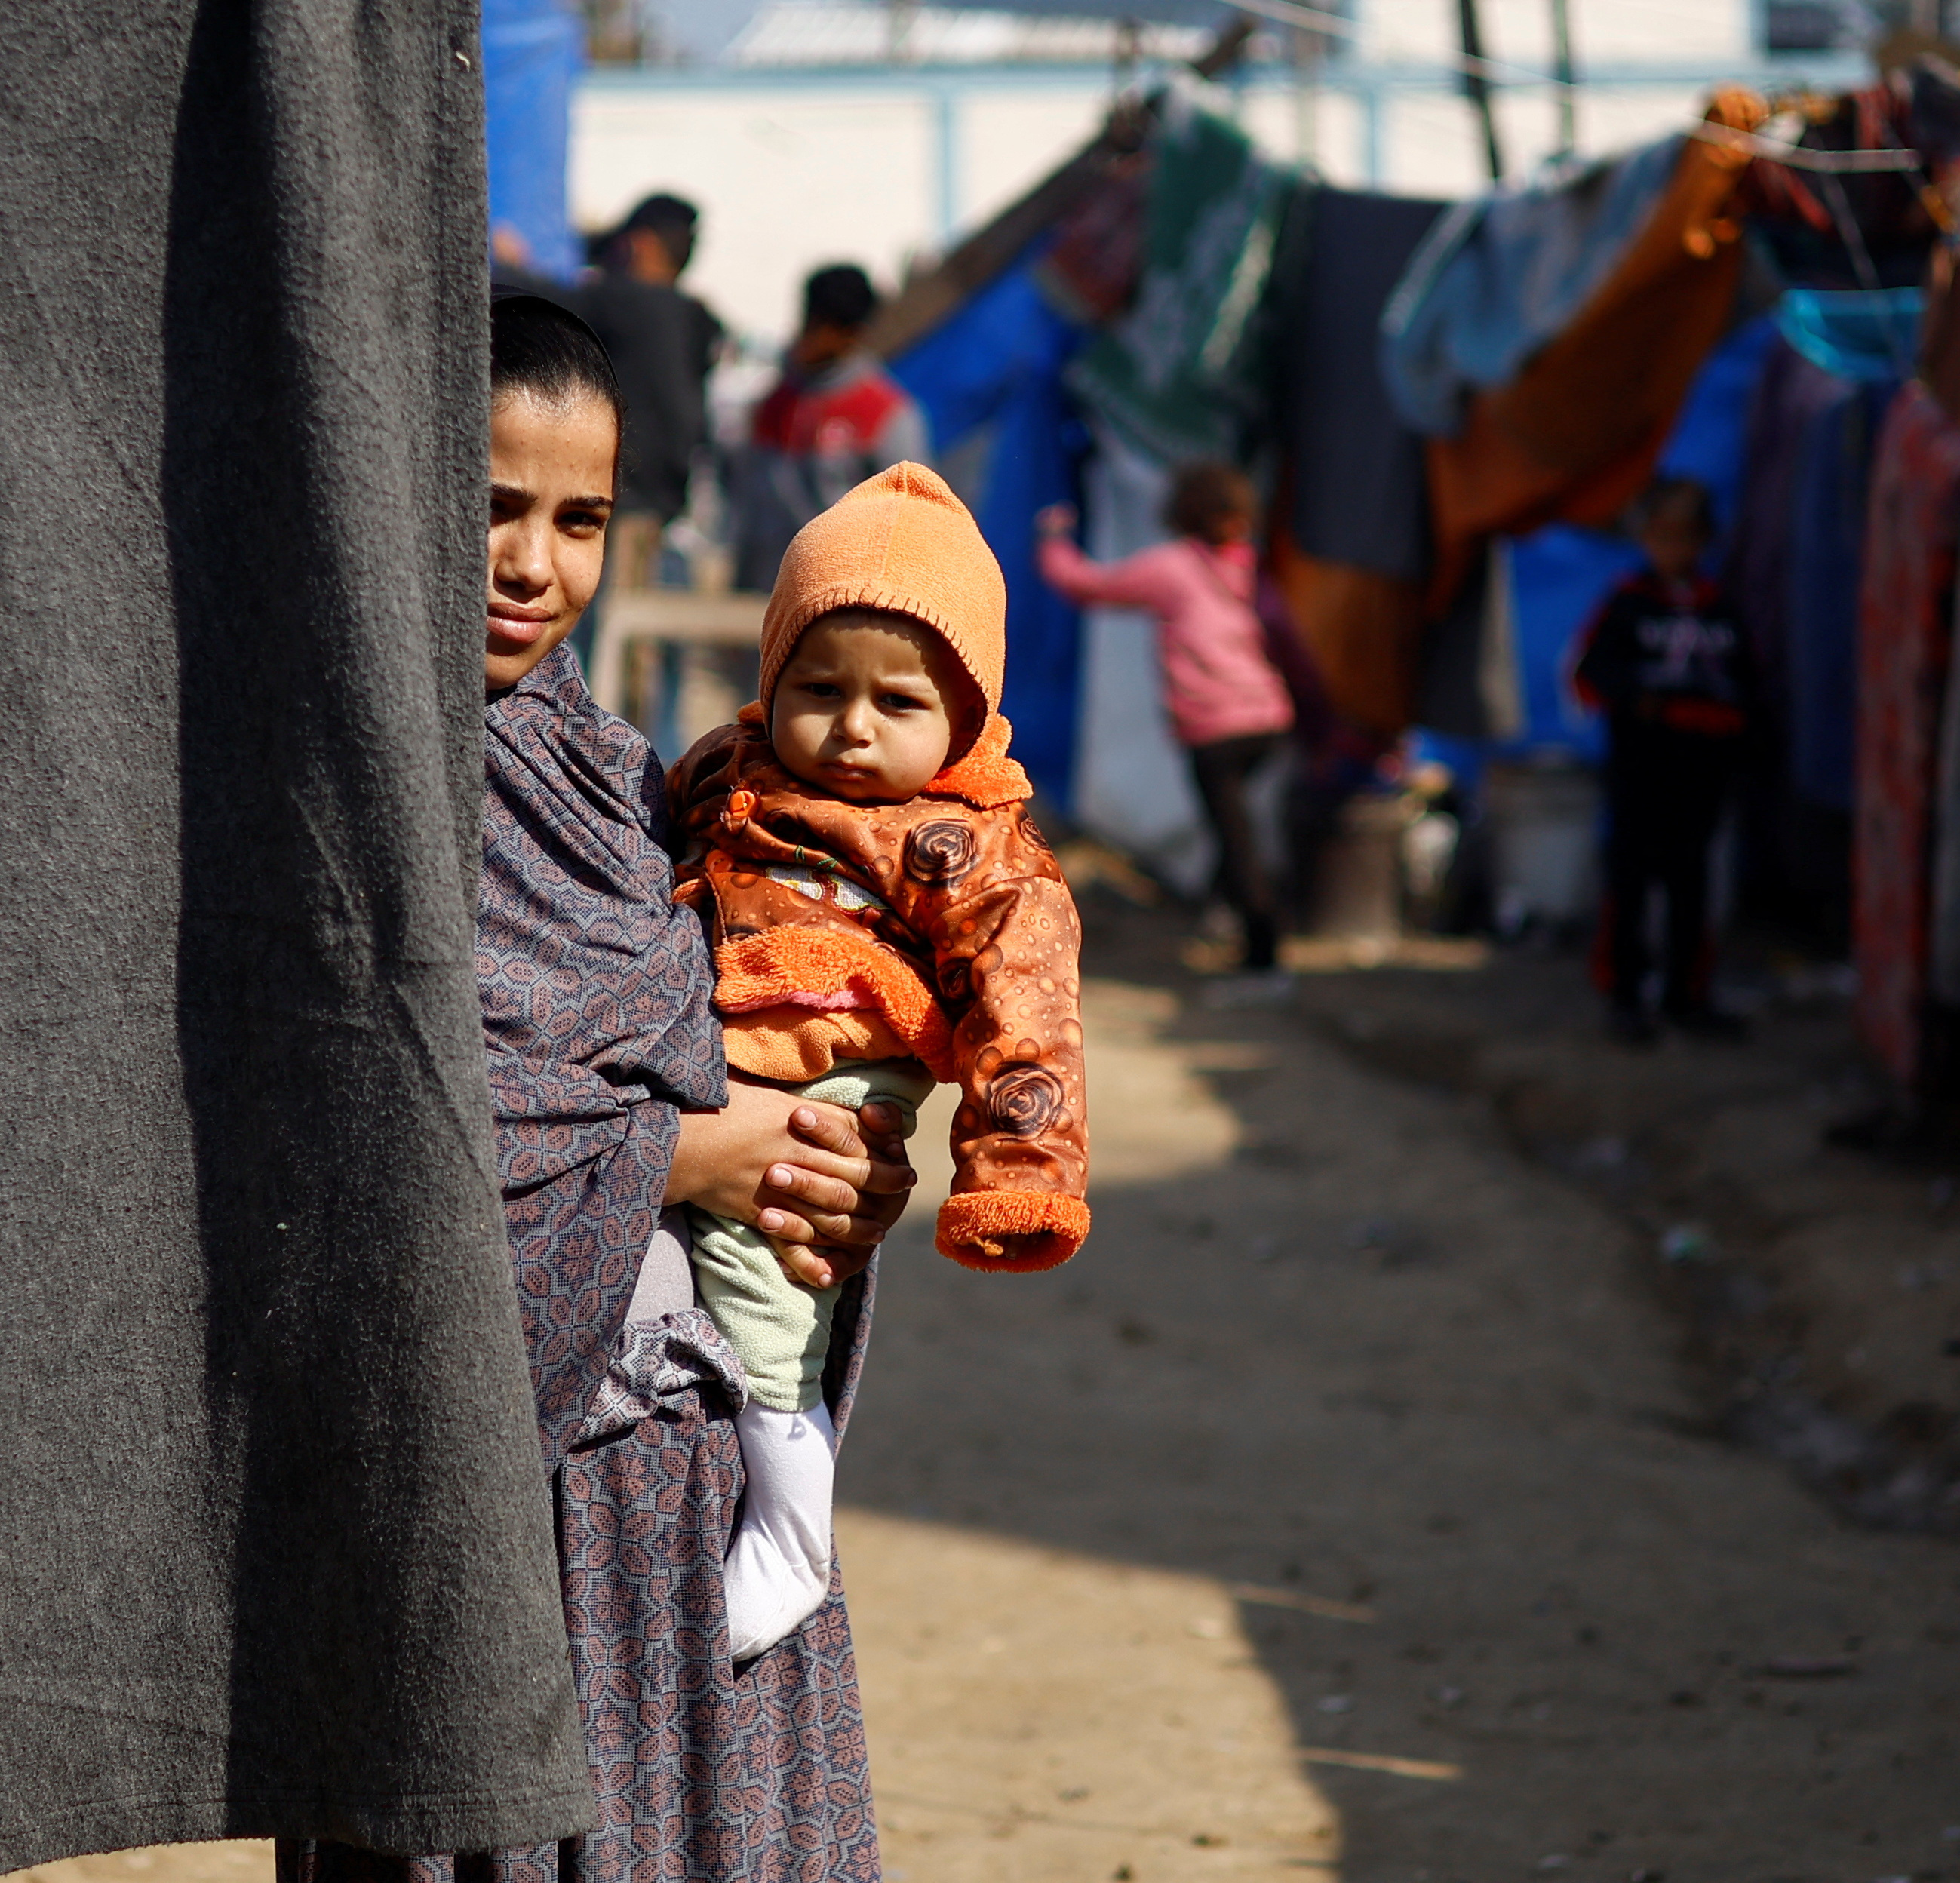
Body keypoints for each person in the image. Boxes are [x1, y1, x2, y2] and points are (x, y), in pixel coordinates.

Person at [282, 294, 917, 1882]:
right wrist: (683, 1157)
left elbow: (747, 1035)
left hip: (688, 1478)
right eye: (489, 507)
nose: (533, 566)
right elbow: (350, 1118)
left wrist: (835, 1171)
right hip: (472, 1493)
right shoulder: (328, 786)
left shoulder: (627, 777)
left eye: (581, 520)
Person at [668, 462, 1092, 1661]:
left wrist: (1020, 1175)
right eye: (819, 686)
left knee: (765, 1271)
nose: (851, 728)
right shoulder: (730, 770)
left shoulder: (967, 843)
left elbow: (1030, 1012)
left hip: (845, 1066)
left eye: (896, 702)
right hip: (721, 1045)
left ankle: (795, 1520)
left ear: (964, 715)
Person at [1034, 462, 1298, 991]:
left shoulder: (1171, 568)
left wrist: (1053, 539)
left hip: (1216, 729)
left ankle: (1264, 961)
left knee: (1237, 839)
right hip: (1267, 719)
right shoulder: (1248, 565)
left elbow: (1086, 584)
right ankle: (1222, 913)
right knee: (1235, 829)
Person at [1568, 476, 1753, 1043]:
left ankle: (1686, 996)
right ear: (1644, 536)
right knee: (1629, 884)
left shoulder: (1720, 609)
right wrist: (1643, 704)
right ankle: (1625, 997)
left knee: (1692, 888)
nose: (1677, 548)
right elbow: (1589, 677)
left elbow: (1749, 687)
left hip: (1701, 779)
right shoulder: (1627, 604)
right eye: (1664, 535)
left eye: (1689, 536)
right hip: (1640, 775)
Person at [733, 263, 932, 590]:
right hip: (767, 602)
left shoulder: (886, 414)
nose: (814, 337)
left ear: (854, 333)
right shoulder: (771, 407)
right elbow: (750, 515)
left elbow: (913, 526)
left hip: (844, 605)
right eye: (812, 322)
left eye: (828, 327)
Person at [565, 192, 722, 589]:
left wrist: (504, 259)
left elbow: (539, 300)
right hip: (667, 514)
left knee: (613, 642)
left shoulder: (628, 302)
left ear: (640, 244)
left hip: (627, 511)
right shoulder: (696, 319)